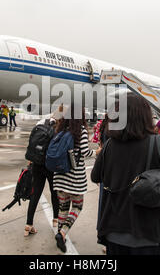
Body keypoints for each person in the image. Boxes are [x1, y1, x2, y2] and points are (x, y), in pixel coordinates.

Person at [91, 93, 160, 255]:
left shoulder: (110, 146)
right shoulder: (158, 144)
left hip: (114, 230)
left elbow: (95, 177)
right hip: (149, 233)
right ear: (146, 117)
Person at [53, 104, 95, 253]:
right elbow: (84, 151)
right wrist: (97, 152)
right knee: (77, 207)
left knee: (63, 207)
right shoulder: (81, 131)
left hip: (59, 176)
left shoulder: (61, 128)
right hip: (75, 177)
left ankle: (60, 235)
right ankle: (62, 233)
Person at [24, 113, 59, 237]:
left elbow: (32, 140)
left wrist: (31, 158)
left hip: (37, 163)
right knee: (54, 192)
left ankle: (28, 224)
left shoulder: (41, 122)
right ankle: (55, 219)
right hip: (50, 164)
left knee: (35, 193)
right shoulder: (59, 127)